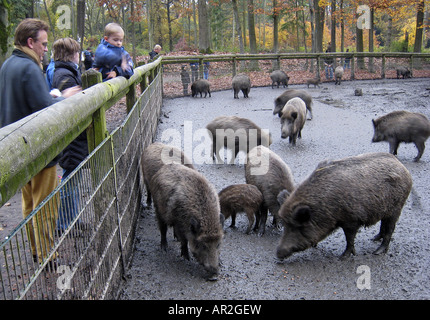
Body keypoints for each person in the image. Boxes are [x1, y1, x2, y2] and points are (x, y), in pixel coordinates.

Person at [0, 18, 81, 267]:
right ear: (30, 42)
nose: (46, 49)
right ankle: (48, 254)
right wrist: (64, 98)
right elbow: (45, 109)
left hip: (17, 150)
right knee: (45, 204)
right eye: (43, 44)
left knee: (28, 203)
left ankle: (36, 250)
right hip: (38, 151)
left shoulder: (7, 65)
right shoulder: (29, 67)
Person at [51, 38, 88, 234]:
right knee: (70, 179)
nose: (79, 56)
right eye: (77, 53)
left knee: (74, 177)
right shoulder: (63, 74)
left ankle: (72, 219)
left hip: (75, 134)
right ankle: (65, 224)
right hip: (70, 136)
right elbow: (68, 100)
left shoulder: (68, 71)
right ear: (71, 54)